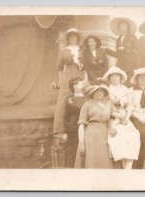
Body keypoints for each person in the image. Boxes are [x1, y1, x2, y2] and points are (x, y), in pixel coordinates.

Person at [51, 28, 86, 167]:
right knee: (65, 101)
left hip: (80, 74)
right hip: (67, 76)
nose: (73, 38)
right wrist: (60, 82)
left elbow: (86, 66)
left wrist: (86, 77)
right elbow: (59, 67)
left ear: (77, 38)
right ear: (68, 38)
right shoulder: (64, 51)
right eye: (70, 36)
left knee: (81, 97)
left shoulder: (82, 50)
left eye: (75, 36)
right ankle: (60, 130)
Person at [103, 66, 141, 169]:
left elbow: (130, 106)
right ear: (109, 78)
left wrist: (127, 117)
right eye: (112, 76)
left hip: (125, 119)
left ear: (120, 77)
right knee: (118, 138)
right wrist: (118, 116)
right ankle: (122, 167)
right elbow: (107, 106)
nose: (115, 78)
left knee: (133, 136)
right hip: (114, 118)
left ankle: (128, 168)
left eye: (117, 76)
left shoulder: (126, 90)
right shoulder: (107, 90)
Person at [74, 84, 114, 169]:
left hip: (104, 134)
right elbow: (81, 125)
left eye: (102, 91)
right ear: (93, 93)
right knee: (91, 160)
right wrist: (81, 143)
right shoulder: (87, 105)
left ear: (104, 93)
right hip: (91, 135)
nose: (99, 93)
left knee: (104, 160)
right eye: (97, 91)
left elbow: (115, 116)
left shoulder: (109, 104)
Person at [62, 77, 89, 168]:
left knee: (85, 149)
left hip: (86, 127)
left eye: (79, 83)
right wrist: (64, 132)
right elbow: (65, 116)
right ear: (72, 86)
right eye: (75, 84)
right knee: (72, 151)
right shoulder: (69, 99)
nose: (77, 86)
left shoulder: (87, 98)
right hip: (72, 128)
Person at [106, 17, 140, 82]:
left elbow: (137, 53)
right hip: (121, 65)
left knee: (129, 83)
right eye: (121, 25)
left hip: (130, 65)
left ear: (128, 26)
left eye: (124, 25)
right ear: (119, 27)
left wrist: (137, 67)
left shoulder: (132, 37)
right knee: (121, 82)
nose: (123, 26)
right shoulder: (118, 39)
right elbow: (118, 54)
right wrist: (108, 51)